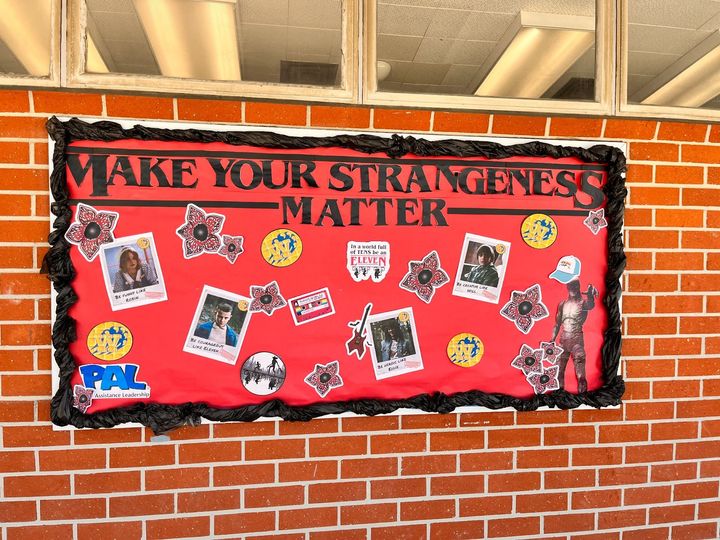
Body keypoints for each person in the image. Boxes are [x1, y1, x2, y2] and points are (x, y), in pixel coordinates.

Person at [551, 279, 597, 393]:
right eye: (571, 285)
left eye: (575, 285)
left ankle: (583, 397)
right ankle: (559, 396)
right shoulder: (562, 304)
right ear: (567, 286)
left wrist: (591, 295)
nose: (573, 287)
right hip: (563, 340)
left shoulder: (583, 303)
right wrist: (552, 340)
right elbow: (557, 324)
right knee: (559, 373)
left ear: (579, 286)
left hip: (577, 340)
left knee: (581, 375)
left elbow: (590, 305)